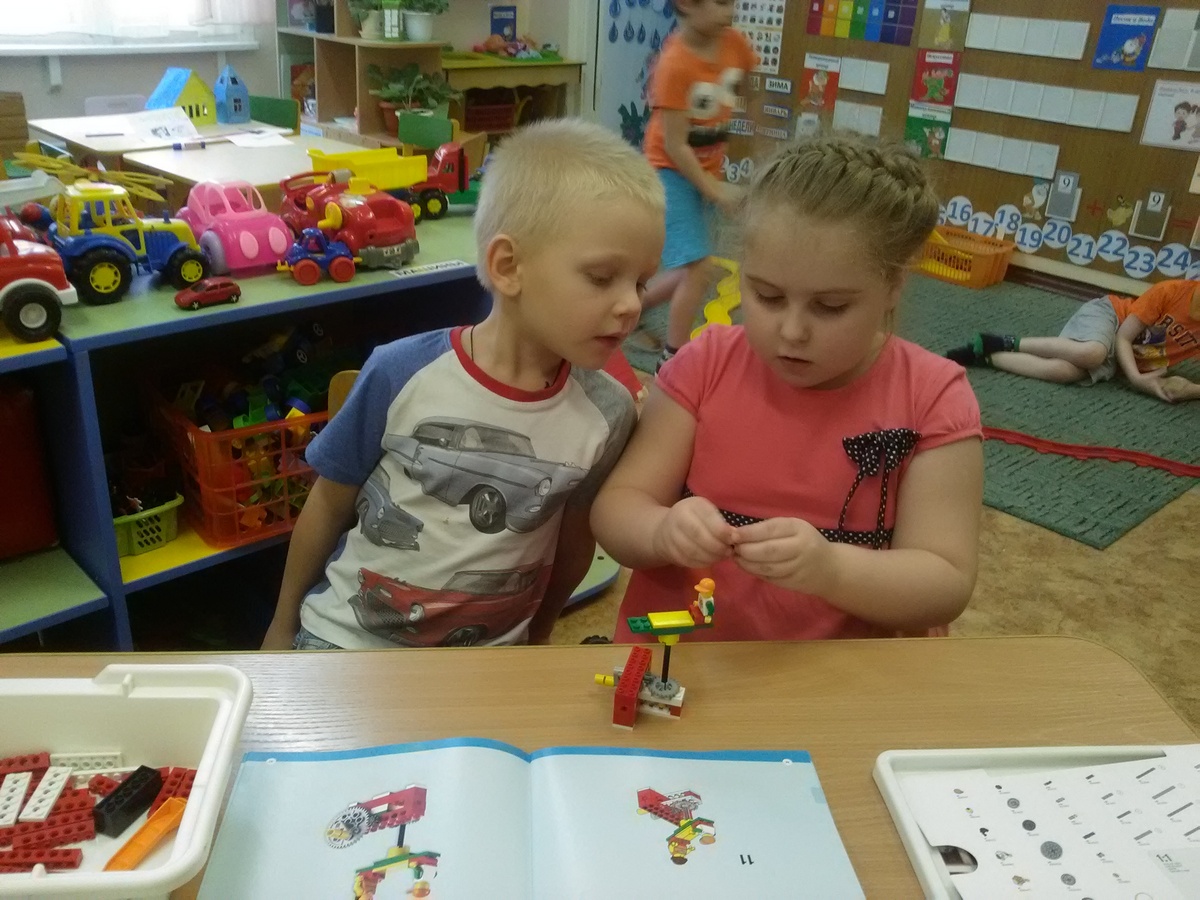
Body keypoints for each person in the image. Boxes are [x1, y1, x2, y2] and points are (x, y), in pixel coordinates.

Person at [261, 119, 665, 651]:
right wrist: (282, 626)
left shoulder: (608, 411)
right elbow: (327, 506)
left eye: (641, 282)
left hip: (490, 661)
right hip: (347, 643)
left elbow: (573, 545)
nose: (632, 304)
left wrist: (539, 638)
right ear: (508, 266)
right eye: (602, 277)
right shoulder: (401, 370)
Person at [591, 134, 984, 642]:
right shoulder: (704, 366)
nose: (793, 331)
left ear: (894, 285)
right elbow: (617, 509)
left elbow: (946, 581)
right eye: (768, 297)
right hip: (686, 660)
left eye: (830, 307)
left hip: (842, 675)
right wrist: (661, 532)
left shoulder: (932, 396)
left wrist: (832, 570)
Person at [639, 0, 756, 371]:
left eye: (732, 3)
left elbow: (751, 87)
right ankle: (672, 358)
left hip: (706, 168)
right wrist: (713, 190)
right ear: (686, 4)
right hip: (670, 170)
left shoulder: (734, 43)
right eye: (720, 3)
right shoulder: (674, 64)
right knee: (698, 266)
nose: (730, 12)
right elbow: (675, 146)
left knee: (691, 268)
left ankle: (633, 306)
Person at [945, 281, 1200, 402]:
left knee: (1065, 372)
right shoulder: (1170, 291)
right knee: (1093, 353)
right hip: (1111, 317)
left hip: (1127, 360)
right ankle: (1005, 342)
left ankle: (988, 357)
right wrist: (1137, 379)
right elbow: (1124, 336)